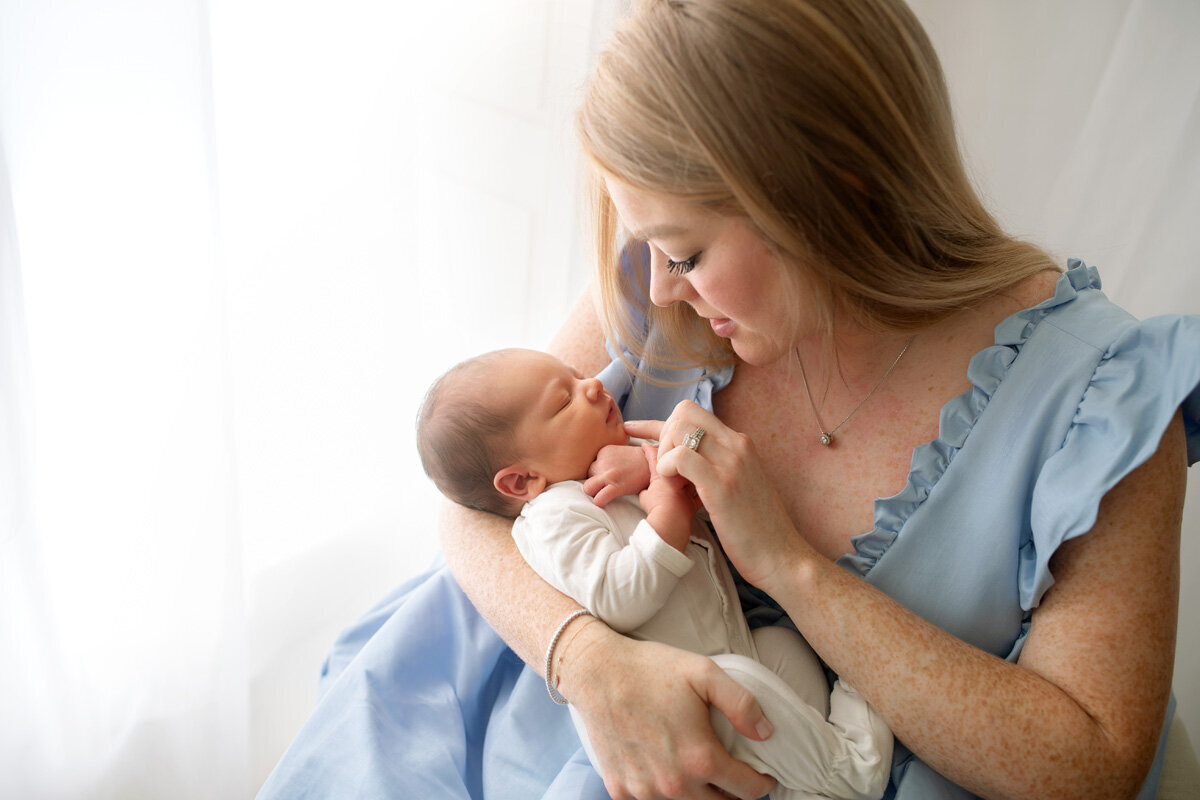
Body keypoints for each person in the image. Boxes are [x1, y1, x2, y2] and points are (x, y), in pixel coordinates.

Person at [435, 1, 1200, 799]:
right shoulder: (658, 290)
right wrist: (593, 666)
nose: (659, 284)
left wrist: (788, 564)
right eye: (652, 249)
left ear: (830, 187)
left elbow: (1091, 768)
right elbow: (468, 506)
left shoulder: (1104, 399)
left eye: (687, 252)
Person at [415, 347, 894, 800]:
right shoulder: (553, 519)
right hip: (680, 702)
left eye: (578, 376)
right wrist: (665, 506)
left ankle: (800, 779)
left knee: (779, 647)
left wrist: (653, 468)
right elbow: (619, 595)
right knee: (739, 678)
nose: (593, 387)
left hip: (737, 648)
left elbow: (691, 489)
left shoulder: (611, 463)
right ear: (522, 480)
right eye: (563, 401)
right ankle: (853, 770)